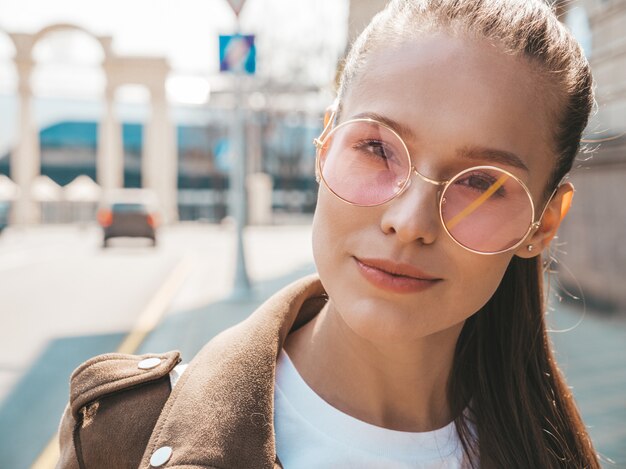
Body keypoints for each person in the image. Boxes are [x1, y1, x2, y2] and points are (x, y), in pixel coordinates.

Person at [56, 0, 600, 467]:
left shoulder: (555, 451)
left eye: (481, 182)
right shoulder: (122, 437)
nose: (409, 222)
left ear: (544, 222)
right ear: (324, 145)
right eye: (377, 148)